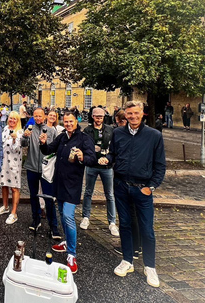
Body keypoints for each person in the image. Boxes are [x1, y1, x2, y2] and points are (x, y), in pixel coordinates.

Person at [100, 101, 166, 288]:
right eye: (129, 114)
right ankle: (127, 261)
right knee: (126, 225)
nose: (133, 117)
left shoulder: (154, 135)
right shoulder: (118, 133)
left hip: (142, 189)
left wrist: (151, 186)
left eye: (136, 113)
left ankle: (150, 266)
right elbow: (113, 154)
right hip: (121, 186)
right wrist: (108, 159)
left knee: (147, 229)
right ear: (125, 115)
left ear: (142, 113)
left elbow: (160, 165)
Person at [40, 112, 96, 274]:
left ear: (76, 122)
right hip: (59, 182)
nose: (68, 124)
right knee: (61, 212)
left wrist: (82, 156)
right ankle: (66, 241)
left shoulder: (84, 138)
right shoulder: (62, 136)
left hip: (72, 185)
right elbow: (49, 150)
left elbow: (91, 159)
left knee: (68, 216)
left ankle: (72, 254)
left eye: (71, 121)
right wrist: (43, 143)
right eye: (66, 121)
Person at [21, 108, 60, 237]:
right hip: (32, 166)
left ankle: (53, 225)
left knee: (48, 197)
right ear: (33, 116)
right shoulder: (29, 129)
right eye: (36, 116)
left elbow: (55, 148)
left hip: (46, 169)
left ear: (45, 116)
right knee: (33, 195)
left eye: (40, 116)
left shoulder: (51, 130)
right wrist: (24, 136)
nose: (38, 118)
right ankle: (36, 219)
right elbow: (23, 144)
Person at [80, 107, 119, 236]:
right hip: (92, 165)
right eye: (96, 116)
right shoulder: (87, 130)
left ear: (104, 117)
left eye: (100, 117)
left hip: (106, 167)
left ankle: (112, 222)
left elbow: (113, 148)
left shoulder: (110, 130)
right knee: (88, 191)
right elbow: (86, 147)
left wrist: (108, 159)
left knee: (109, 194)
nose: (98, 119)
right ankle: (86, 217)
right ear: (92, 117)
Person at [0, 111, 23, 224]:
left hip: (14, 164)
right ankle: (5, 206)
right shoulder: (5, 128)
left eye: (14, 119)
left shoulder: (20, 132)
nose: (12, 120)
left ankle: (14, 212)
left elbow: (16, 149)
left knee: (14, 187)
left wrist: (15, 139)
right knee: (4, 185)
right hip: (4, 162)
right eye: (10, 118)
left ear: (18, 120)